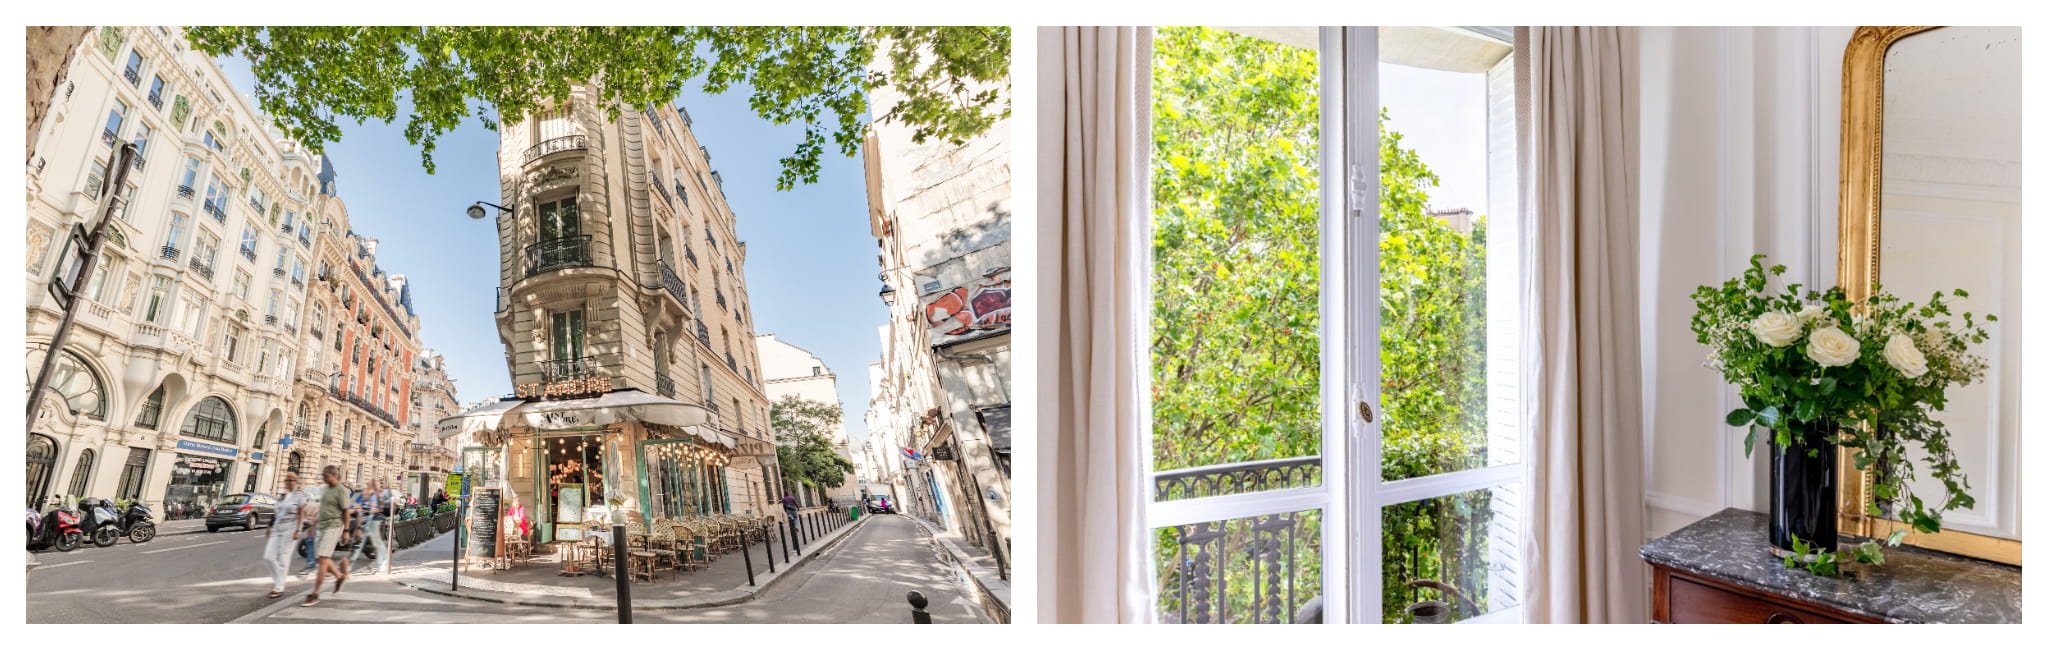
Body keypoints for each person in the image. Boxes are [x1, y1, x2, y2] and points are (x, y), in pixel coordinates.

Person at [304, 465, 353, 607]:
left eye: (326, 476)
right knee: (320, 558)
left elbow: (346, 512)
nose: (324, 478)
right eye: (323, 476)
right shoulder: (325, 489)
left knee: (323, 559)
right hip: (321, 525)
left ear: (334, 475)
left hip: (334, 526)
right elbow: (322, 508)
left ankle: (315, 593)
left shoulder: (341, 490)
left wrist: (346, 531)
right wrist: (313, 525)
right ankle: (339, 576)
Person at [261, 473, 313, 599]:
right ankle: (279, 580)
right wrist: (269, 527)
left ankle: (278, 587)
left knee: (283, 558)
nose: (289, 482)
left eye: (291, 480)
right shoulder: (282, 496)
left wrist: (298, 530)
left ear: (296, 481)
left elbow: (301, 514)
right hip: (277, 529)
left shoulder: (299, 496)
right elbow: (276, 513)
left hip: (290, 529)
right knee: (268, 557)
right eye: (287, 480)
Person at [351, 479, 395, 573]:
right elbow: (358, 504)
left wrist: (368, 510)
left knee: (377, 542)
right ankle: (381, 562)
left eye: (368, 484)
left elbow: (378, 508)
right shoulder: (365, 493)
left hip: (374, 520)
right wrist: (359, 508)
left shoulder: (376, 495)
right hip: (367, 520)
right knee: (373, 542)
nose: (366, 485)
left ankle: (384, 561)